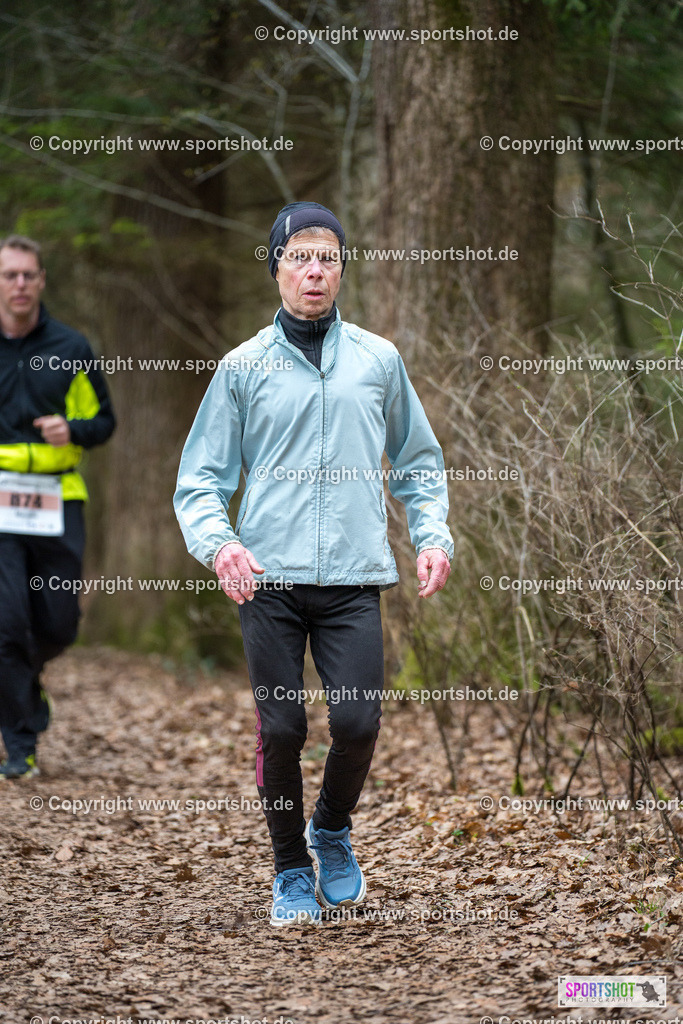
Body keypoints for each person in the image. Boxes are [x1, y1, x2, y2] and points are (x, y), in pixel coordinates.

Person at [174, 202, 452, 925]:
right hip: (267, 578)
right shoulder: (242, 368)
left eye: (326, 256)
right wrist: (220, 542)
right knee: (283, 728)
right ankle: (289, 868)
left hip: (355, 577)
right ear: (275, 266)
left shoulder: (378, 360)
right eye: (298, 256)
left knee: (357, 724)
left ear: (341, 268)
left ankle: (329, 829)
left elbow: (418, 461)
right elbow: (200, 478)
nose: (314, 270)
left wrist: (432, 536)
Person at [0, 235, 116, 779]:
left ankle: (25, 679)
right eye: (9, 275)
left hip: (57, 498)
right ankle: (20, 743)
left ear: (42, 280)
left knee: (59, 622)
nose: (19, 284)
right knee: (6, 622)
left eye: (28, 274)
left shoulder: (71, 347)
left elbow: (104, 423)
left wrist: (71, 429)